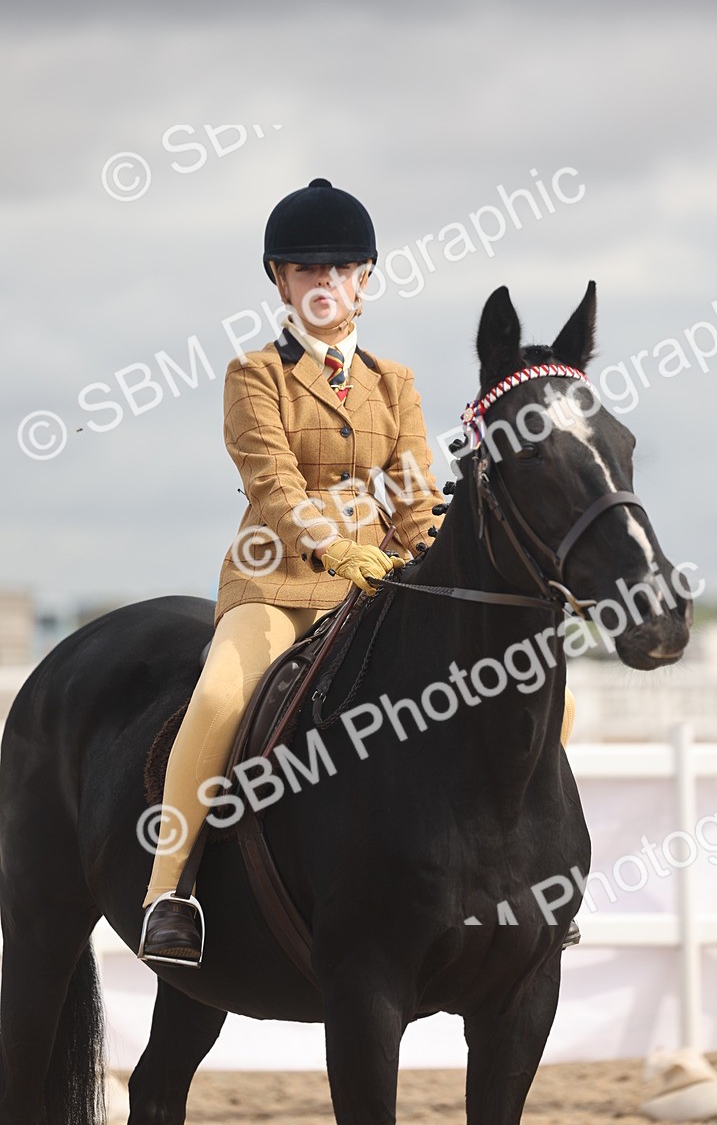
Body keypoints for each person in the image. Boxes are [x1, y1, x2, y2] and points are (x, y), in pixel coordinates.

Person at [138, 177, 578, 966]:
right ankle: (169, 889)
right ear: (280, 280)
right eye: (307, 271)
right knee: (221, 696)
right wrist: (332, 545)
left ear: (364, 279)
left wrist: (431, 548)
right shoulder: (255, 376)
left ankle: (526, 871)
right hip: (276, 580)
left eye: (340, 270)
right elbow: (271, 484)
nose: (324, 284)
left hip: (378, 581)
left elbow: (411, 495)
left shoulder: (393, 382)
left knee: (533, 688)